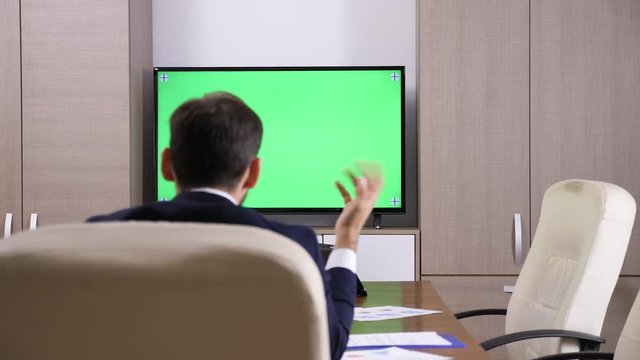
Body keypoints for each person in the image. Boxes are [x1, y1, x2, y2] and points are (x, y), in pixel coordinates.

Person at [87, 91, 382, 360]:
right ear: (253, 173)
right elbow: (329, 348)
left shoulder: (99, 235)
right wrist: (347, 237)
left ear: (167, 164)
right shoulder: (292, 244)